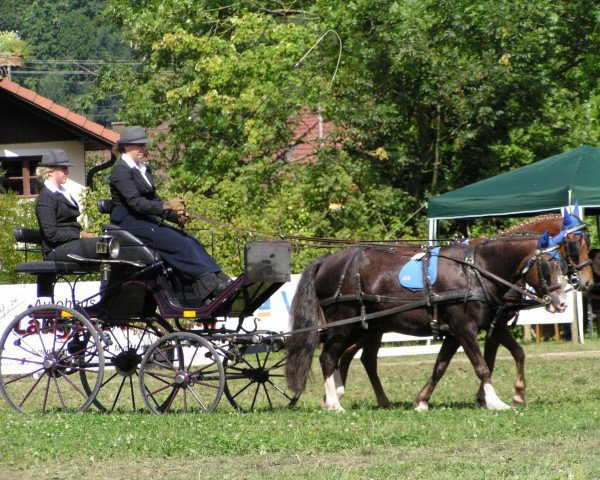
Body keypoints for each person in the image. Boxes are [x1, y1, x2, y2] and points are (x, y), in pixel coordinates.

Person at [109, 125, 231, 304]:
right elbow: (136, 203)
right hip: (128, 222)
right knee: (177, 242)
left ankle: (220, 278)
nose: (143, 148)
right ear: (127, 146)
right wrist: (167, 205)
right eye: (139, 145)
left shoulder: (144, 169)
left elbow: (153, 199)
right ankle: (208, 287)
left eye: (144, 145)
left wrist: (175, 215)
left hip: (145, 219)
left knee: (190, 239)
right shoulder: (121, 171)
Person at [35, 149, 98, 261]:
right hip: (54, 249)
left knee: (107, 243)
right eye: (64, 168)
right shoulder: (45, 198)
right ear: (50, 172)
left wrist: (84, 234)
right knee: (101, 247)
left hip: (70, 244)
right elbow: (52, 234)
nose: (67, 172)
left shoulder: (63, 193)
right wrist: (80, 235)